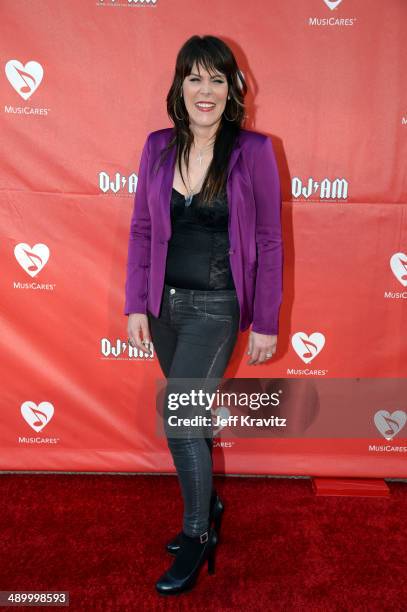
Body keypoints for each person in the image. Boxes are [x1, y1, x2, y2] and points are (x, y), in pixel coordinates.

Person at [124, 34, 283, 595]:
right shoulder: (156, 146)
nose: (205, 89)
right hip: (164, 308)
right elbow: (143, 228)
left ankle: (197, 534)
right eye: (194, 77)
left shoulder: (255, 151)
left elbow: (268, 238)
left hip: (216, 309)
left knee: (179, 416)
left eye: (217, 77)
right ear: (180, 86)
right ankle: (210, 501)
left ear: (233, 87)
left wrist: (266, 319)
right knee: (189, 416)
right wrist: (135, 303)